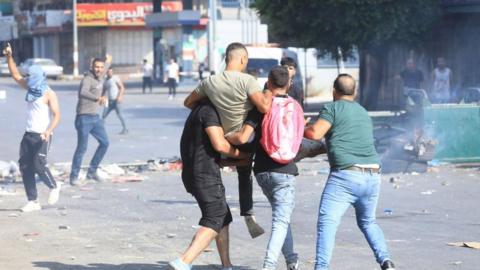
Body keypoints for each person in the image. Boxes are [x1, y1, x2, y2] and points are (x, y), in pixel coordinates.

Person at [304, 74, 395, 270]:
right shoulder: (363, 112)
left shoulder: (332, 108)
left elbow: (315, 134)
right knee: (368, 222)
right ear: (355, 93)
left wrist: (302, 128)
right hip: (373, 175)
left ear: (334, 92)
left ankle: (321, 267)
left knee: (327, 222)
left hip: (345, 177)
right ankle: (386, 261)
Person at [184, 42, 273, 239]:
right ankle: (248, 211)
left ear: (226, 59)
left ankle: (244, 211)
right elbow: (264, 107)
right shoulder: (248, 81)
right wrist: (268, 91)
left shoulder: (209, 82)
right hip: (245, 138)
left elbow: (188, 102)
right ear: (243, 59)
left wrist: (214, 113)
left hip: (224, 140)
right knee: (246, 167)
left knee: (241, 167)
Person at [226, 66, 300, 270]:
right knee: (280, 220)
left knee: (281, 217)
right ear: (289, 84)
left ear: (268, 81)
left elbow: (243, 137)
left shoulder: (261, 107)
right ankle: (269, 265)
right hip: (285, 171)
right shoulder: (294, 106)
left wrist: (226, 137)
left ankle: (292, 261)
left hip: (262, 171)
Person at [169, 100, 249, 270]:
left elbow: (203, 150)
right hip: (204, 175)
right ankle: (183, 261)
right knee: (215, 217)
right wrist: (242, 155)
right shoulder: (209, 112)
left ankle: (226, 265)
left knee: (223, 217)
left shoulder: (198, 111)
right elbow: (219, 144)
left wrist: (230, 161)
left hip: (195, 173)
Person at [3, 43, 62, 212]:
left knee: (38, 164)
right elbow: (15, 74)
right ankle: (33, 201)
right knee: (25, 166)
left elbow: (57, 115)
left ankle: (54, 186)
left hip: (43, 135)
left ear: (40, 77)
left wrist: (48, 131)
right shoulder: (30, 87)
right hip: (29, 134)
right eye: (28, 76)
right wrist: (9, 56)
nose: (29, 79)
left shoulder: (49, 93)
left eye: (32, 77)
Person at [70, 55, 112, 186]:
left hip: (95, 118)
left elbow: (105, 76)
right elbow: (82, 92)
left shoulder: (100, 77)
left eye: (101, 67)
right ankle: (74, 177)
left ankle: (92, 172)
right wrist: (97, 98)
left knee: (104, 143)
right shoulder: (87, 79)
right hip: (83, 118)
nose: (99, 69)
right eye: (96, 67)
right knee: (82, 148)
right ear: (91, 67)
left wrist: (104, 96)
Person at [102, 67, 128, 135]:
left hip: (116, 101)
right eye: (108, 72)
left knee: (120, 115)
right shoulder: (105, 80)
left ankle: (125, 129)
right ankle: (101, 130)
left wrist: (120, 97)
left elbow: (122, 87)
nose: (110, 73)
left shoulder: (115, 78)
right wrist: (101, 97)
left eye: (111, 72)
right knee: (103, 115)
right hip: (108, 101)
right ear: (106, 72)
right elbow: (104, 89)